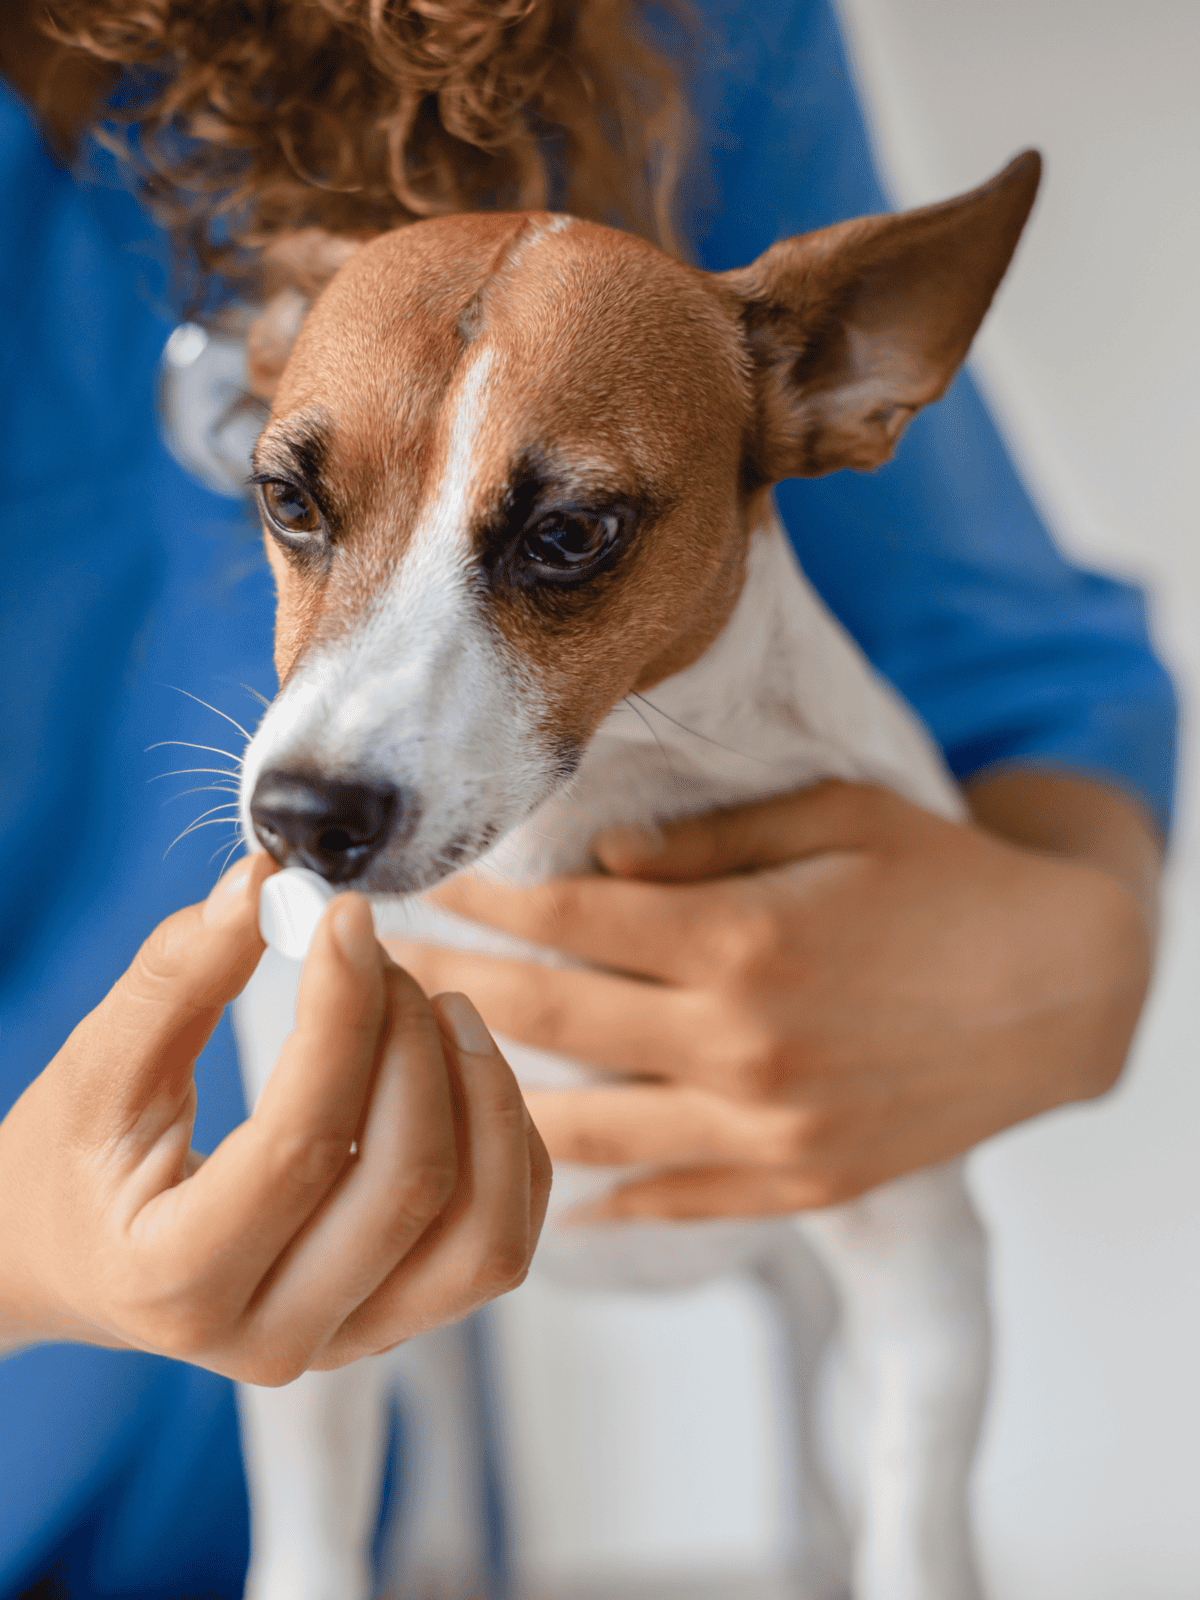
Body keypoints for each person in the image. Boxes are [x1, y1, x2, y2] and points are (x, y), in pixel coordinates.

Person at [0, 2, 1174, 1598]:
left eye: (562, 545)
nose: (330, 748)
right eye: (296, 504)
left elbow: (1021, 672)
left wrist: (1070, 942)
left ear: (839, 381)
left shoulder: (681, 29)